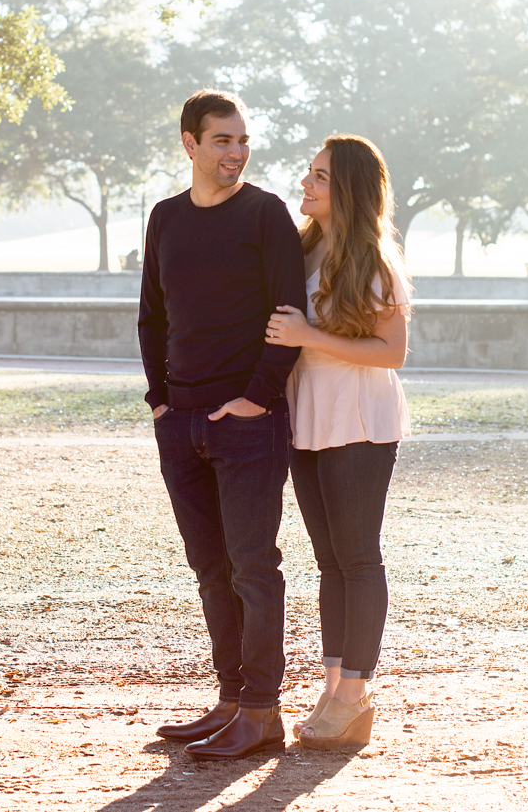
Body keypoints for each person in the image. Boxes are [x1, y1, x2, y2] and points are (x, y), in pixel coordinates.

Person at [137, 89, 308, 761]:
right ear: (190, 143)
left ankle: (263, 710)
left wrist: (259, 397)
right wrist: (160, 401)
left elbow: (289, 312)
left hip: (249, 426)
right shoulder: (166, 218)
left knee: (252, 566)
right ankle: (232, 700)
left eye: (243, 141)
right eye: (222, 141)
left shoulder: (266, 214)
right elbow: (152, 315)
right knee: (210, 567)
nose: (235, 152)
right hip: (180, 423)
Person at [264, 134, 411, 751]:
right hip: (310, 417)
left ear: (346, 189)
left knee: (357, 558)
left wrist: (308, 336)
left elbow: (393, 352)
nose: (306, 184)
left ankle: (355, 694)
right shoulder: (306, 250)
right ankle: (333, 687)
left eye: (320, 177)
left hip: (359, 419)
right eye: (309, 173)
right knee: (328, 562)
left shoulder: (374, 259)